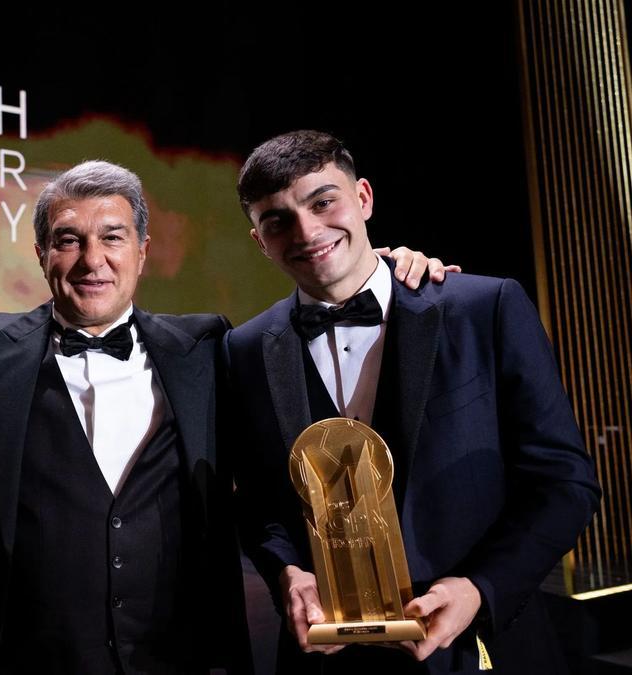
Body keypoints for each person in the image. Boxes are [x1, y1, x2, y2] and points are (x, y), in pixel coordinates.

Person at [0, 159, 451, 674]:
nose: (92, 260)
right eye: (68, 239)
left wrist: (387, 267)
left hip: (181, 661)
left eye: (113, 237)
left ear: (142, 252)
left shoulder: (209, 344)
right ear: (41, 253)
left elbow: (312, 340)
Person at [224, 130, 601, 674]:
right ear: (260, 240)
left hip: (479, 650)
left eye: (323, 201)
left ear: (364, 198)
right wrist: (287, 572)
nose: (307, 231)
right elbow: (258, 503)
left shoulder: (483, 307)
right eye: (278, 220)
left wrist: (478, 589)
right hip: (325, 660)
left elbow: (565, 482)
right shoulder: (245, 349)